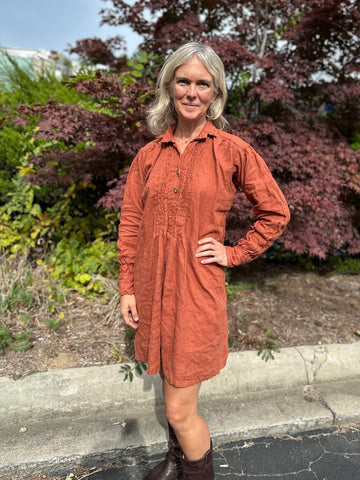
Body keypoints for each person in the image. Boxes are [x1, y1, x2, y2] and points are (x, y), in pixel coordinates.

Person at [117, 42, 290, 480]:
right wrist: (127, 287)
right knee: (173, 394)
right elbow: (131, 222)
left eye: (203, 83)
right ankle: (177, 464)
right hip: (153, 291)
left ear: (215, 92)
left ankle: (192, 470)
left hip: (196, 294)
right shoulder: (149, 155)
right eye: (184, 81)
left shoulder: (232, 151)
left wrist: (233, 253)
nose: (192, 92)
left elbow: (275, 213)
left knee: (178, 410)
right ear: (169, 86)